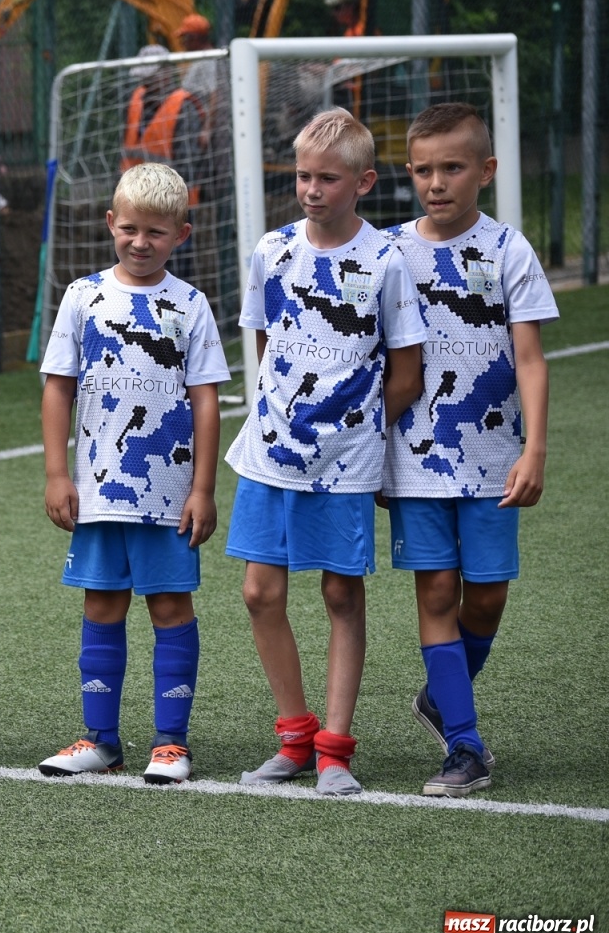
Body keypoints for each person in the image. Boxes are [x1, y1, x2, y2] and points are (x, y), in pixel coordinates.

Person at [226, 107, 426, 795]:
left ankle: (336, 751)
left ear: (364, 181)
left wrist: (362, 433)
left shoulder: (387, 261)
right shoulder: (271, 250)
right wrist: (279, 410)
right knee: (259, 592)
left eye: (328, 179)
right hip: (271, 451)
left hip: (346, 458)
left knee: (341, 593)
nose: (312, 190)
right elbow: (262, 342)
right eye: (304, 176)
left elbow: (407, 373)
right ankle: (295, 738)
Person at [381, 103, 558, 797]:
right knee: (433, 592)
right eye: (423, 169)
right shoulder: (388, 250)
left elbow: (532, 359)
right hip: (413, 460)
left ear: (485, 170)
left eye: (452, 167)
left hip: (493, 460)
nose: (436, 182)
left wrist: (535, 448)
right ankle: (464, 745)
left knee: (484, 600)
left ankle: (441, 697)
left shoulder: (509, 249)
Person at [37, 163, 229, 784]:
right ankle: (101, 739)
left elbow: (204, 400)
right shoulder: (82, 297)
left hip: (168, 495)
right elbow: (57, 389)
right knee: (101, 605)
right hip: (96, 490)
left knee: (171, 606)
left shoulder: (190, 305)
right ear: (109, 224)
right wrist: (56, 474)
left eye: (155, 232)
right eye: (129, 229)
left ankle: (171, 743)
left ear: (182, 234)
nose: (140, 242)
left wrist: (202, 488)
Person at [121, 44, 206, 208]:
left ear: (166, 72)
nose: (145, 84)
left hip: (172, 204)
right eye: (143, 79)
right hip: (132, 199)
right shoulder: (136, 101)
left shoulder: (183, 106)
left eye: (150, 78)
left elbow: (186, 167)